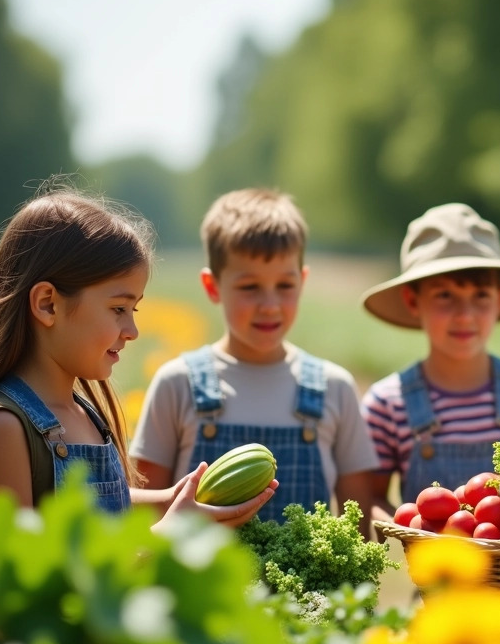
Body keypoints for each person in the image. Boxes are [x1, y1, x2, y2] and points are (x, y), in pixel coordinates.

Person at [0, 187, 275, 532]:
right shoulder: (2, 430)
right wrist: (170, 535)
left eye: (134, 309)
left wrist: (174, 498)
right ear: (48, 304)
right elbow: (18, 581)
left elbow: (105, 505)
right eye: (118, 309)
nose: (132, 330)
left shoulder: (84, 414)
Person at [130, 188, 377, 530]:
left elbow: (360, 520)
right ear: (212, 286)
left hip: (308, 587)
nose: (270, 304)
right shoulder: (177, 384)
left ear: (302, 282)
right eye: (249, 287)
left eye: (285, 286)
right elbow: (146, 512)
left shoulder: (336, 388)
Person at [360, 202, 500, 516]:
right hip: (436, 564)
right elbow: (371, 499)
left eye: (481, 296)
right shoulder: (387, 405)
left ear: (499, 299)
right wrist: (411, 530)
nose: (465, 315)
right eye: (444, 296)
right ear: (412, 300)